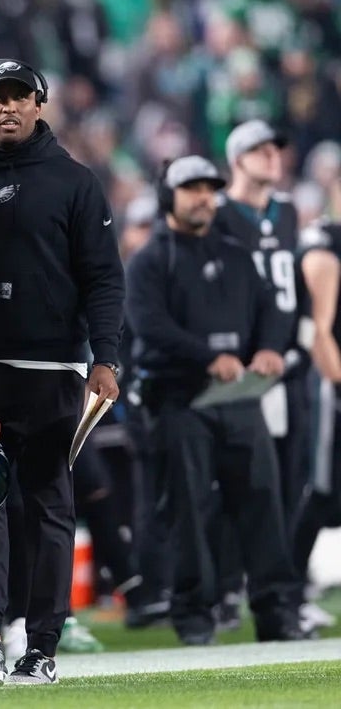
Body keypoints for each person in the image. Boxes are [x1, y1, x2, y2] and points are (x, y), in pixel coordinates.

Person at [0, 58, 123, 685]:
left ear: (41, 105)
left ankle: (41, 645)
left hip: (52, 371)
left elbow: (104, 277)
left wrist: (105, 357)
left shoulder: (75, 181)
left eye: (22, 97)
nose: (10, 107)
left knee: (46, 507)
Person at [125, 155, 305, 646]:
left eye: (209, 188)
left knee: (264, 504)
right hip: (179, 400)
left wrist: (270, 346)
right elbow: (149, 327)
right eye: (192, 188)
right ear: (169, 195)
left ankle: (277, 613)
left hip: (239, 397)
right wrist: (207, 357)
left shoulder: (235, 253)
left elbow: (272, 308)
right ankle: (195, 618)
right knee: (189, 510)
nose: (204, 197)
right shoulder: (149, 260)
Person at [213, 119, 305, 630]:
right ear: (238, 158)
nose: (272, 156)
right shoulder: (222, 213)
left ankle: (280, 590)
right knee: (238, 483)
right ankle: (232, 588)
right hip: (241, 367)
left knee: (289, 481)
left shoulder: (288, 211)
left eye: (275, 148)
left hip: (286, 361)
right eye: (259, 149)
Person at [292, 220, 341, 631]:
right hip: (328, 387)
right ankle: (288, 594)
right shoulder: (327, 243)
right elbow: (319, 330)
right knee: (319, 490)